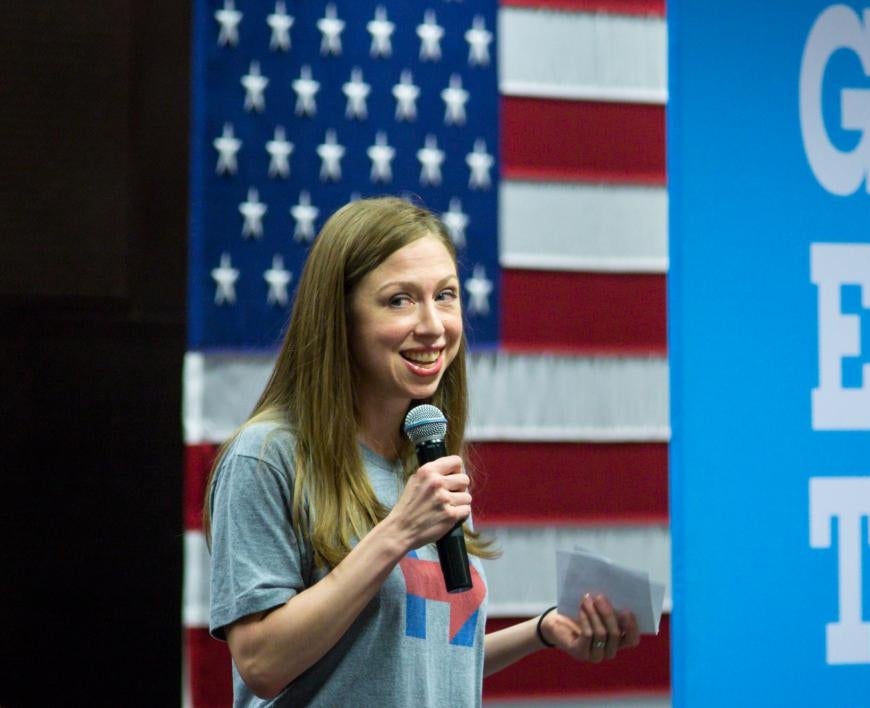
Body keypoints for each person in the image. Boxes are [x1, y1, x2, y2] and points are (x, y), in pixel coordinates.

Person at [204, 197, 640, 706]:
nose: (434, 325)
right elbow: (261, 663)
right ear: (339, 317)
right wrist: (399, 531)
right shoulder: (267, 457)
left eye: (446, 295)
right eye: (400, 300)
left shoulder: (423, 457)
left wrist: (542, 630)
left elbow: (418, 656)